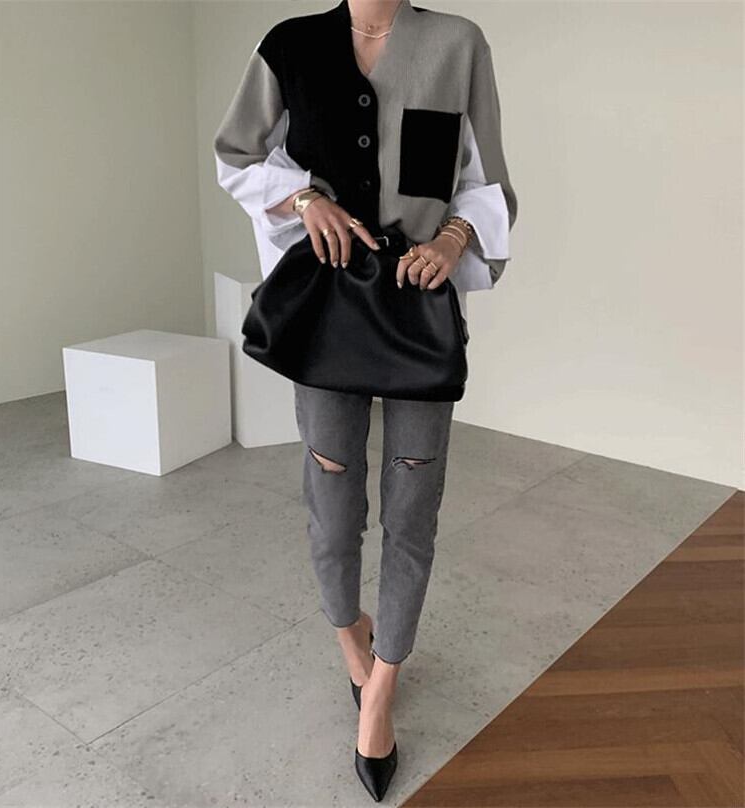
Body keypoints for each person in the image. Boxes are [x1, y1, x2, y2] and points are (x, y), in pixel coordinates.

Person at [213, 0, 517, 799]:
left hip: (419, 310)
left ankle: (381, 686)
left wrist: (453, 237)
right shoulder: (288, 45)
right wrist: (304, 200)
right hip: (326, 311)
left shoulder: (458, 44)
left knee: (414, 505)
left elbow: (486, 181)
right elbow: (237, 154)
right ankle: (351, 635)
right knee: (332, 495)